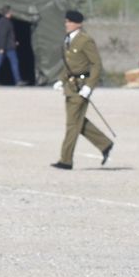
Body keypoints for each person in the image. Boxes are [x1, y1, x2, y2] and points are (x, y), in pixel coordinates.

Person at [52, 10, 112, 170]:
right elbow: (70, 65)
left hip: (81, 86)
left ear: (78, 23)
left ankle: (66, 160)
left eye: (69, 22)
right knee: (77, 121)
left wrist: (89, 86)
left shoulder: (85, 40)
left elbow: (96, 64)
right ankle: (105, 143)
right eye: (66, 21)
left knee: (72, 124)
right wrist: (61, 80)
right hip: (71, 87)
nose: (66, 24)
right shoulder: (68, 40)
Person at [0, 7, 23, 86]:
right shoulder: (5, 22)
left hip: (7, 46)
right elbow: (2, 35)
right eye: (10, 12)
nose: (12, 13)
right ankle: (18, 81)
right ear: (7, 13)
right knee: (13, 63)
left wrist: (14, 42)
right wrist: (1, 47)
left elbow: (8, 36)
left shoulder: (3, 21)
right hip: (7, 47)